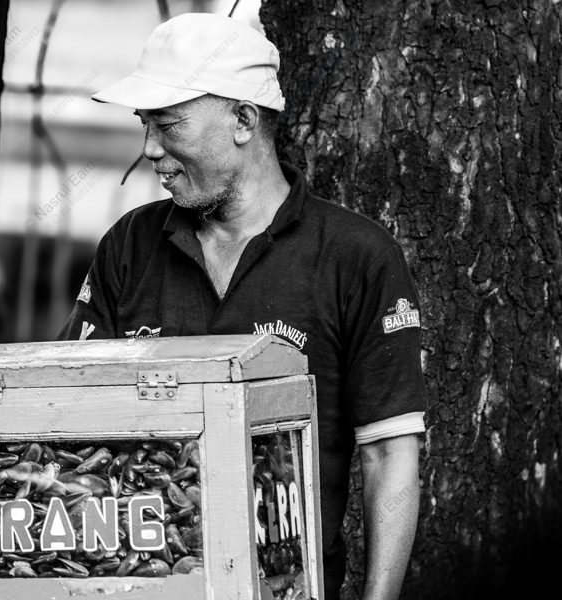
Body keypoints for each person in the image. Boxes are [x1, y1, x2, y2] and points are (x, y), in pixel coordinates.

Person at [58, 12, 426, 600]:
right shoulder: (129, 246)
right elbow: (65, 417)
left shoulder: (356, 256)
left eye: (169, 126)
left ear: (243, 120)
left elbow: (389, 452)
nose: (150, 149)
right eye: (144, 126)